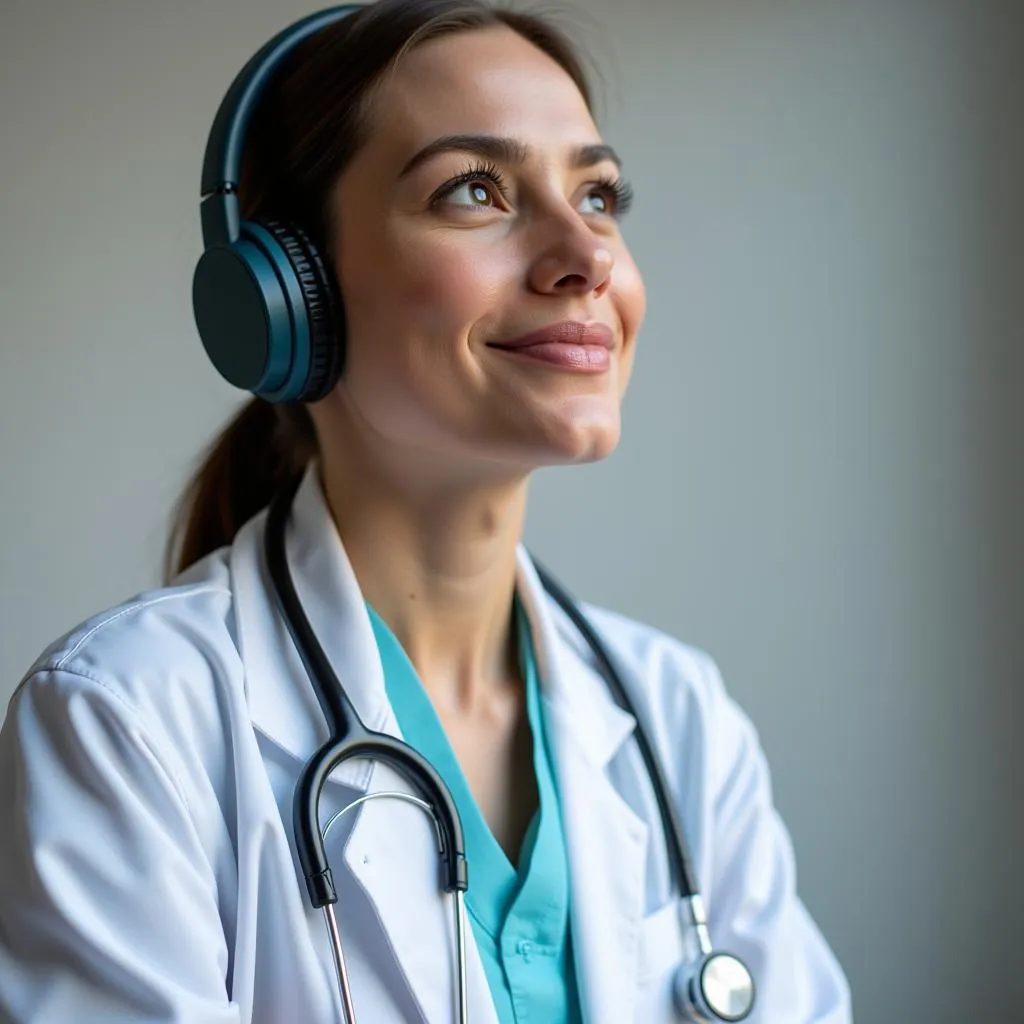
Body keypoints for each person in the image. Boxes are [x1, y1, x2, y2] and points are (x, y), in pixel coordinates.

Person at [0, 1, 852, 1022]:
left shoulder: (681, 720)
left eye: (598, 193)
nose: (585, 256)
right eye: (476, 191)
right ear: (290, 296)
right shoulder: (129, 720)